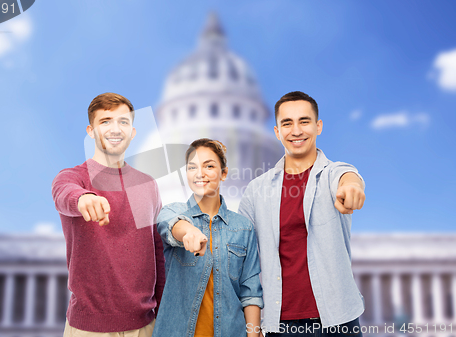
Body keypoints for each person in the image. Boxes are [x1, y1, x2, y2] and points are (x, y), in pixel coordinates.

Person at [238, 91, 366, 337]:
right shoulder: (257, 190)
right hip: (282, 325)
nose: (296, 131)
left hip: (339, 320)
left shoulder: (333, 174)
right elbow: (242, 257)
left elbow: (348, 176)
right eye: (287, 123)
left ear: (318, 127)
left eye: (304, 121)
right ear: (277, 132)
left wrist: (352, 186)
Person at [51, 93, 165, 337]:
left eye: (123, 122)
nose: (115, 129)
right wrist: (83, 199)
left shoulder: (148, 185)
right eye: (105, 121)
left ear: (133, 132)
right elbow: (63, 194)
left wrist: (165, 315)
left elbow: (158, 252)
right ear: (90, 131)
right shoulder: (73, 177)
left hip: (145, 327)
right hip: (88, 329)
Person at [152, 138, 263, 337]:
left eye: (209, 166)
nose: (200, 173)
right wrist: (189, 231)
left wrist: (253, 334)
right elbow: (171, 225)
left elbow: (251, 292)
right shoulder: (172, 211)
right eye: (192, 167)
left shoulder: (243, 227)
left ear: (224, 173)